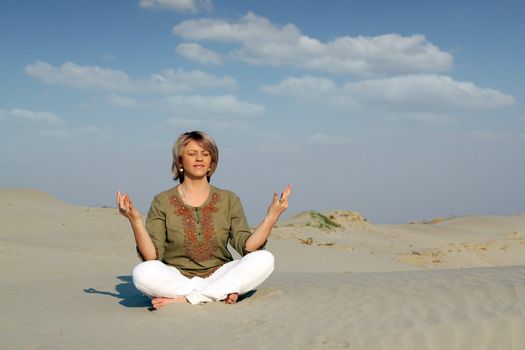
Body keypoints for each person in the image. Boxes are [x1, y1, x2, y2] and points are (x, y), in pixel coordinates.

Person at [117, 131, 291, 308]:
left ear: (211, 162)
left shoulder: (229, 199)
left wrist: (272, 216)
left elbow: (247, 247)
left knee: (264, 259)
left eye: (205, 154)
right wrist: (135, 221)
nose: (199, 158)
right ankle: (217, 292)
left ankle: (188, 298)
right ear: (180, 161)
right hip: (177, 276)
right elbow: (151, 256)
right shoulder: (162, 201)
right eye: (192, 154)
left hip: (221, 272)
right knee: (142, 272)